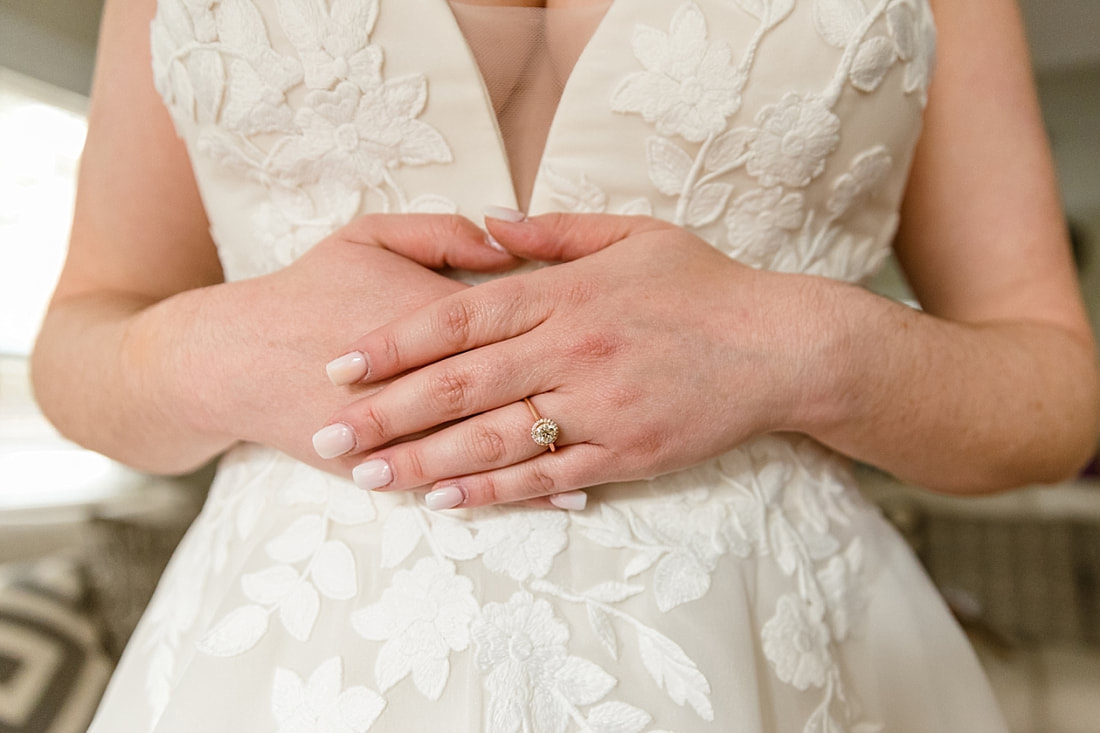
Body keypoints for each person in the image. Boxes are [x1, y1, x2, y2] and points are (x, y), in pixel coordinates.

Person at [31, 0, 1099, 730]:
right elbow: (79, 345)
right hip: (281, 658)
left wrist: (800, 347)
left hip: (774, 651)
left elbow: (1054, 395)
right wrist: (218, 349)